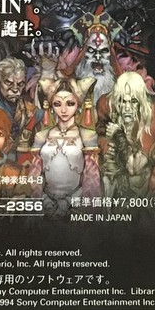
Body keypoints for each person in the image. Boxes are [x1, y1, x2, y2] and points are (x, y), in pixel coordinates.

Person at [29, 77, 101, 215]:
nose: (63, 110)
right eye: (57, 104)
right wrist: (44, 201)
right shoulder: (41, 136)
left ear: (78, 105)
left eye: (70, 104)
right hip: (46, 205)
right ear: (51, 105)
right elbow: (35, 174)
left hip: (75, 206)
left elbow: (91, 178)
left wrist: (69, 202)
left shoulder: (87, 136)